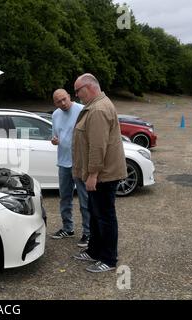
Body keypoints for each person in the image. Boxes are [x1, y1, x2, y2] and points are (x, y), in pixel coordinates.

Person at [71, 73, 127, 273]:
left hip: (103, 175)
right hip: (98, 174)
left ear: (89, 87)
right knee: (96, 214)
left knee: (104, 216)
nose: (76, 95)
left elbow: (97, 147)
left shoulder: (98, 109)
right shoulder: (95, 106)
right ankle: (94, 250)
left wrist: (93, 174)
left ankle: (109, 259)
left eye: (78, 91)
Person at [50, 89, 90, 248]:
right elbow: (56, 136)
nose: (63, 103)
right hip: (63, 162)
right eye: (59, 101)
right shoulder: (55, 115)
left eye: (64, 99)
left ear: (69, 97)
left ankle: (88, 233)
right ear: (55, 103)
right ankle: (68, 228)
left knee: (84, 199)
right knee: (64, 198)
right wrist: (54, 140)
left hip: (79, 163)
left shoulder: (81, 110)